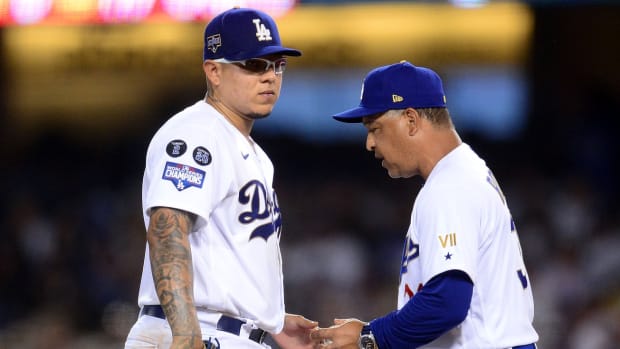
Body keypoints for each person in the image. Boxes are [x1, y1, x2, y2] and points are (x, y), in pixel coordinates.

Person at [125, 7, 317, 349]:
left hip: (222, 332)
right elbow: (167, 229)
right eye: (254, 65)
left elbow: (226, 255)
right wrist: (186, 336)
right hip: (196, 332)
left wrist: (269, 320)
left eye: (277, 65)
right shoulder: (198, 132)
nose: (270, 76)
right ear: (213, 71)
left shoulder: (251, 152)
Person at [309, 61, 539, 349]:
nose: (369, 143)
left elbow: (448, 301)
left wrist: (369, 337)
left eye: (376, 128)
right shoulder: (466, 170)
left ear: (411, 120)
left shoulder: (450, 184)